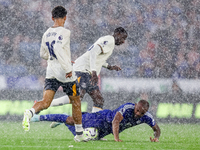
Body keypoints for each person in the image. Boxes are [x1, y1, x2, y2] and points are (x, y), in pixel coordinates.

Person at [22, 6, 89, 142]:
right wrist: (67, 68)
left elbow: (42, 54)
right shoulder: (65, 32)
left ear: (52, 18)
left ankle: (30, 112)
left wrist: (54, 59)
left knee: (46, 102)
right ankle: (80, 135)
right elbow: (58, 48)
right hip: (64, 73)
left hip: (51, 71)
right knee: (76, 101)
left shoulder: (46, 33)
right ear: (65, 18)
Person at [48, 27, 128, 113]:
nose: (123, 41)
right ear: (118, 34)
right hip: (83, 69)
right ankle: (46, 103)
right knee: (77, 97)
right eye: (123, 38)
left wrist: (109, 66)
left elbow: (97, 56)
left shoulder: (107, 40)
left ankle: (91, 125)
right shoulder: (110, 40)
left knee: (98, 100)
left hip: (87, 71)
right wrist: (94, 71)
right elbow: (93, 52)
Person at [31, 100, 161, 142]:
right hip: (101, 119)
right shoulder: (128, 108)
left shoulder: (147, 117)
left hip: (106, 131)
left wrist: (156, 137)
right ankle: (38, 117)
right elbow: (116, 121)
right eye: (137, 110)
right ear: (136, 106)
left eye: (141, 113)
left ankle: (64, 119)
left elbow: (157, 129)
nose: (137, 114)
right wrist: (117, 138)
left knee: (84, 138)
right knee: (72, 121)